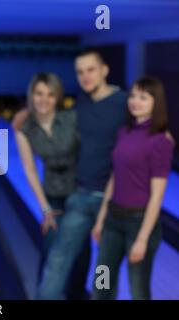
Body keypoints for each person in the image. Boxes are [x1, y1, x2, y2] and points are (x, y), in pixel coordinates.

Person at [37, 49, 129, 299]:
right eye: (80, 72)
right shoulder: (82, 104)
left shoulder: (124, 103)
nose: (85, 76)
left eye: (90, 70)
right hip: (79, 196)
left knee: (104, 273)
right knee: (57, 262)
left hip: (112, 201)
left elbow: (147, 132)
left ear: (104, 71)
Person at [91, 76, 174, 299]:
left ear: (156, 103)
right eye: (134, 96)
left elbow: (157, 196)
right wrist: (101, 219)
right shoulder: (124, 132)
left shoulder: (161, 141)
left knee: (138, 290)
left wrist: (142, 239)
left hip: (139, 223)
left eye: (143, 97)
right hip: (113, 220)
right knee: (101, 281)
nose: (135, 101)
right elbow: (114, 178)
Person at [15, 72, 90, 299]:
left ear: (57, 97)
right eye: (39, 93)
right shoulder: (24, 129)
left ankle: (76, 295)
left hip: (79, 192)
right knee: (49, 254)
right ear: (32, 96)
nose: (44, 99)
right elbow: (29, 170)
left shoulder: (72, 119)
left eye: (50, 94)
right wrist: (45, 208)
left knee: (81, 255)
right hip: (53, 196)